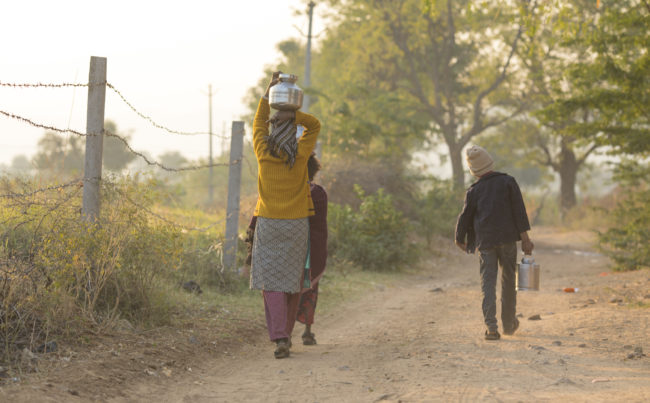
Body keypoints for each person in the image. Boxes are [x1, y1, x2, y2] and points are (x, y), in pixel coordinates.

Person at [250, 71, 321, 358]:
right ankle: (286, 334)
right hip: (295, 226)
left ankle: (279, 335)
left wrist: (269, 96)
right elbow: (314, 125)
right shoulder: (301, 153)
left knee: (272, 283)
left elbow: (257, 123)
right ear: (293, 131)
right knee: (292, 282)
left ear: (271, 130)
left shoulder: (262, 150)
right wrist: (293, 115)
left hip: (268, 224)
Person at [245, 153, 328, 347]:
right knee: (298, 290)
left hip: (272, 247)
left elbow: (258, 215)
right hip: (304, 252)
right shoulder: (316, 193)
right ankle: (301, 331)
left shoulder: (274, 189)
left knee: (273, 288)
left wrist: (251, 245)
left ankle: (281, 334)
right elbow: (318, 228)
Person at [454, 145, 534, 341]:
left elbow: (464, 217)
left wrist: (459, 239)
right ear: (490, 162)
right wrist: (525, 240)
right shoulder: (508, 182)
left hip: (485, 243)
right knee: (508, 282)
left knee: (487, 284)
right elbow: (519, 212)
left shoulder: (474, 191)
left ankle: (491, 327)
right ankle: (508, 324)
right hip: (507, 240)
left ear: (473, 170)